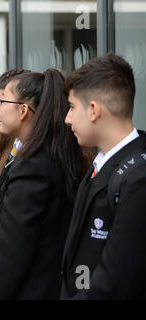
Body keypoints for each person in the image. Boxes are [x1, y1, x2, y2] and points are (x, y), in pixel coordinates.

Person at [0, 68, 87, 299]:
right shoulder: (36, 155)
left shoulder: (33, 167)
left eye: (1, 104)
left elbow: (12, 250)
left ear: (23, 110)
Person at [61, 52, 146, 299]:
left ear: (94, 110)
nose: (67, 119)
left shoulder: (138, 178)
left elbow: (114, 282)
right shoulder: (101, 161)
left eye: (72, 107)